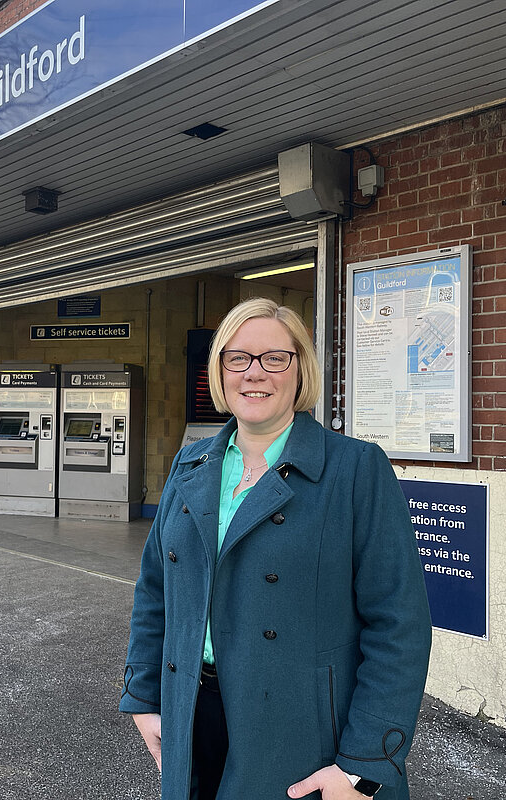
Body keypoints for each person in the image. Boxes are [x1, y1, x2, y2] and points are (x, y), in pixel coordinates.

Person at [119, 298, 431, 800]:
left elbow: (399, 623)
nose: (253, 373)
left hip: (305, 738)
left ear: (300, 369)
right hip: (192, 714)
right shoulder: (190, 465)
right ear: (220, 372)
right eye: (237, 358)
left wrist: (362, 767)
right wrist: (144, 696)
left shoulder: (355, 470)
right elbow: (156, 590)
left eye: (274, 358)